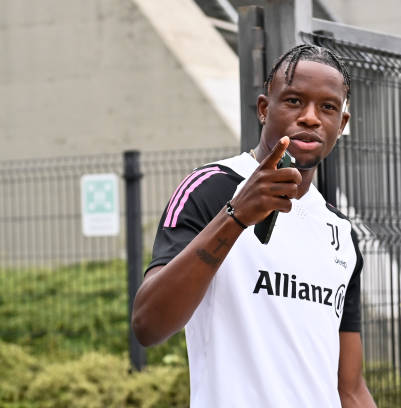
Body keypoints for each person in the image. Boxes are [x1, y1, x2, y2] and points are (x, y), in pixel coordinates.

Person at [132, 44, 376, 407]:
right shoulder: (212, 188)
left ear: (341, 124)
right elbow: (148, 325)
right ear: (264, 109)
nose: (310, 118)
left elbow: (349, 388)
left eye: (328, 107)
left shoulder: (339, 231)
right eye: (294, 101)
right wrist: (236, 216)